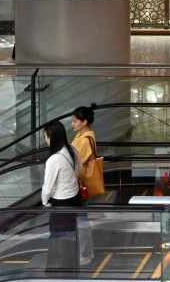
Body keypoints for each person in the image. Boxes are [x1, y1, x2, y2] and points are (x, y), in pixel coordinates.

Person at [42, 119, 82, 269]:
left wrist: (45, 202)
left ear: (51, 137)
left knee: (57, 236)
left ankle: (57, 267)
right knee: (71, 234)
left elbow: (48, 187)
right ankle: (71, 265)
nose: (45, 140)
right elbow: (79, 169)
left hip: (60, 203)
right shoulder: (72, 149)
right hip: (74, 199)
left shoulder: (54, 159)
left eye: (46, 137)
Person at [71, 106, 97, 266]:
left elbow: (74, 160)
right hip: (78, 184)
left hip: (80, 185)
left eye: (75, 121)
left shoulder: (86, 139)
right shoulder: (81, 135)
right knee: (81, 219)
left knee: (81, 221)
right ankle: (87, 251)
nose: (72, 124)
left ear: (84, 122)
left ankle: (85, 253)